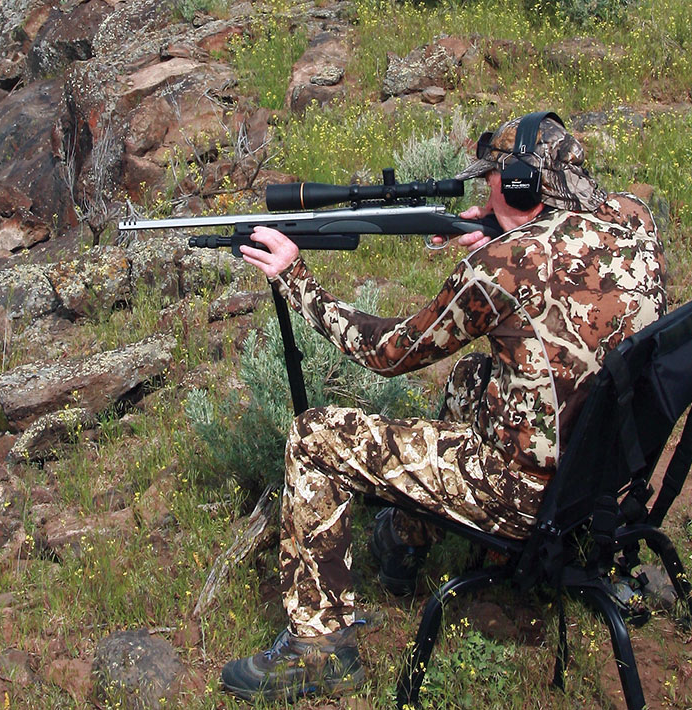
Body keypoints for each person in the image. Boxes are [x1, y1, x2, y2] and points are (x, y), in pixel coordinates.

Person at [219, 111, 667, 703]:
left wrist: (296, 277)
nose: (486, 189)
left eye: (494, 180)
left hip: (523, 495)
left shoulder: (504, 267)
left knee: (315, 437)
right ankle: (405, 542)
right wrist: (505, 228)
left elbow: (388, 353)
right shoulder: (636, 219)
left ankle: (319, 647)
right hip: (600, 476)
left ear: (519, 186)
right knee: (470, 376)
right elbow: (565, 253)